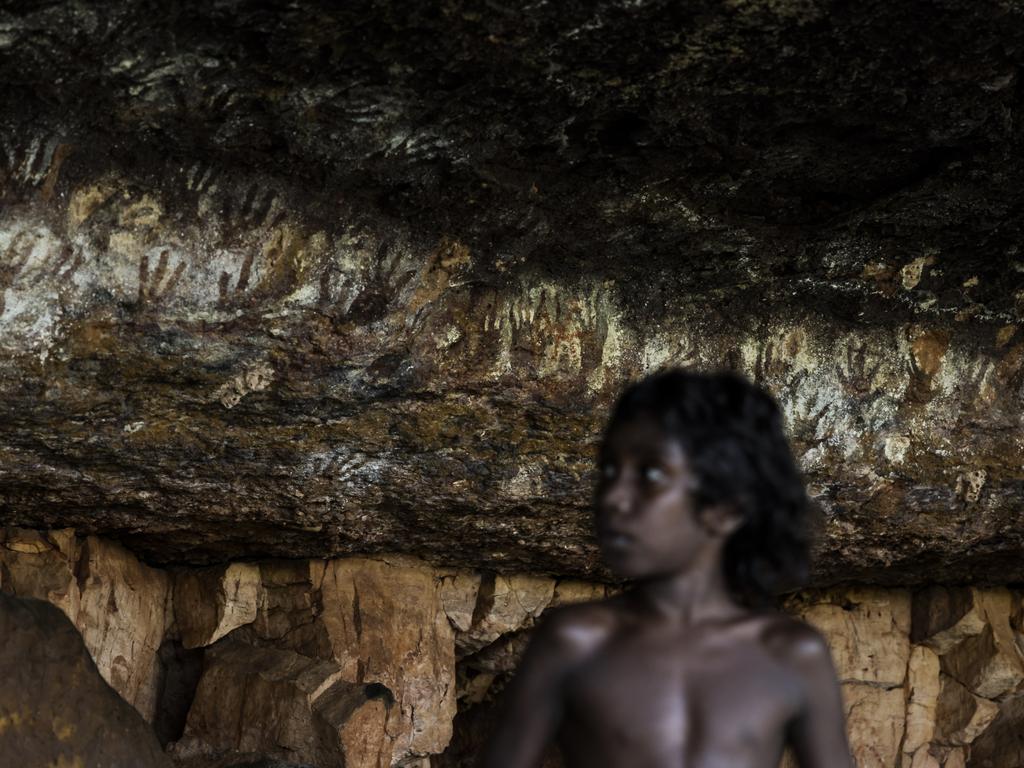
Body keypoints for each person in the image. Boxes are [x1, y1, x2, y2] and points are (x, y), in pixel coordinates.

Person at [481, 369, 853, 768]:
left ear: (725, 509)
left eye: (650, 475)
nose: (614, 498)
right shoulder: (576, 643)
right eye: (609, 471)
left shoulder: (792, 655)